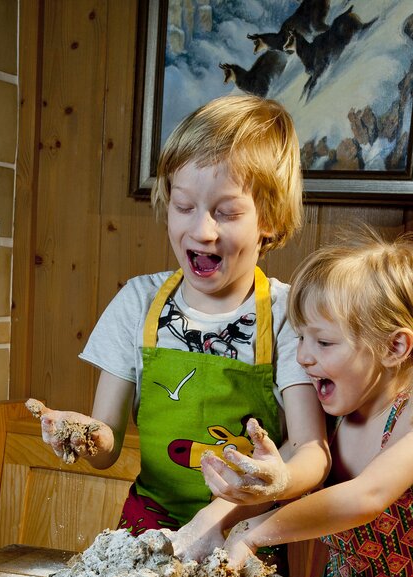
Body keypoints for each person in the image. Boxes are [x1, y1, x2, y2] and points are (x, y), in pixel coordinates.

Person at [27, 94, 329, 545]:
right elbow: (106, 442)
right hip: (147, 526)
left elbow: (311, 450)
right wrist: (82, 434)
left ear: (269, 219)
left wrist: (276, 480)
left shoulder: (285, 314)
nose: (202, 230)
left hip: (242, 531)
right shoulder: (137, 303)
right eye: (184, 206)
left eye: (226, 212)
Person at [192, 230, 413, 577]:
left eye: (323, 342)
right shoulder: (334, 414)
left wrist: (255, 532)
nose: (303, 356)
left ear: (393, 347)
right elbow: (279, 479)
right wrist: (209, 523)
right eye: (300, 338)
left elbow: (365, 496)